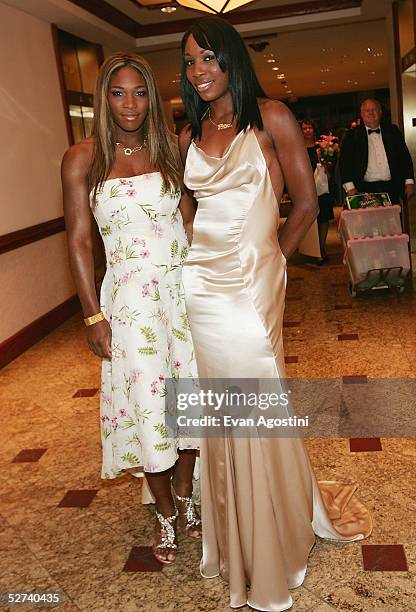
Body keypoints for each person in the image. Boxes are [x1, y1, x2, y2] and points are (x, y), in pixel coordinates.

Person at [179, 17, 372, 611]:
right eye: (188, 63)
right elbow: (187, 205)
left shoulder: (272, 117)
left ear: (231, 57)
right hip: (200, 287)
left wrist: (275, 260)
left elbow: (307, 202)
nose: (199, 72)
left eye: (208, 57)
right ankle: (238, 532)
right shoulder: (191, 126)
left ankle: (275, 539)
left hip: (250, 282)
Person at [61, 53, 201, 565]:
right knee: (148, 407)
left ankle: (185, 494)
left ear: (151, 98)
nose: (130, 104)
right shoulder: (83, 158)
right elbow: (78, 242)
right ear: (104, 98)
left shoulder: (168, 151)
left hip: (181, 297)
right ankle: (163, 512)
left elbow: (189, 224)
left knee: (188, 403)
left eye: (139, 93)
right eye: (118, 93)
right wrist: (92, 315)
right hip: (129, 305)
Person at [339, 98, 415, 204]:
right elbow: (345, 163)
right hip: (363, 189)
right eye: (367, 110)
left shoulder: (392, 131)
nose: (371, 113)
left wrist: (409, 182)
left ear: (380, 112)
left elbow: (404, 157)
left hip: (391, 187)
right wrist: (350, 187)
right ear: (361, 113)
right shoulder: (352, 135)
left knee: (392, 219)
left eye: (374, 110)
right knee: (369, 220)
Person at [300, 119, 335, 263]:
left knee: (324, 217)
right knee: (310, 218)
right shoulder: (298, 148)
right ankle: (313, 249)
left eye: (310, 128)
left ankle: (321, 247)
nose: (308, 130)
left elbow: (329, 168)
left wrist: (325, 163)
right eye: (304, 128)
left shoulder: (321, 147)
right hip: (305, 188)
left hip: (321, 186)